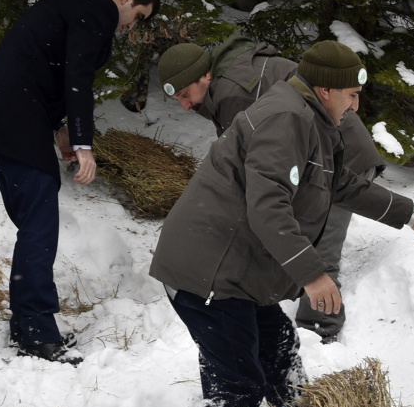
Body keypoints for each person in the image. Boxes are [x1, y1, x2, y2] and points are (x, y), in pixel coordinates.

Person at [149, 40, 414, 407]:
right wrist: (312, 274)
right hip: (207, 271)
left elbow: (339, 185)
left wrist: (408, 213)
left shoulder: (312, 118)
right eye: (351, 95)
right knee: (236, 381)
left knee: (279, 346)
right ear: (326, 89)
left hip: (234, 269)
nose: (356, 106)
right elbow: (267, 206)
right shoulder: (285, 119)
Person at [0, 0, 159, 365]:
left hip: (5, 115)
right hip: (10, 118)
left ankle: (29, 325)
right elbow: (76, 77)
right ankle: (35, 331)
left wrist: (60, 129)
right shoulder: (97, 8)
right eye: (139, 15)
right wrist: (83, 143)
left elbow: (48, 69)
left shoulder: (79, 3)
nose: (134, 25)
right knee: (40, 224)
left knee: (37, 221)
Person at [157, 35, 388, 340]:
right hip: (317, 159)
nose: (186, 106)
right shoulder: (230, 78)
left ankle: (319, 333)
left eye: (186, 94)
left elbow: (255, 171)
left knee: (318, 249)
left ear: (206, 76)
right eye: (179, 100)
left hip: (339, 161)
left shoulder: (232, 94)